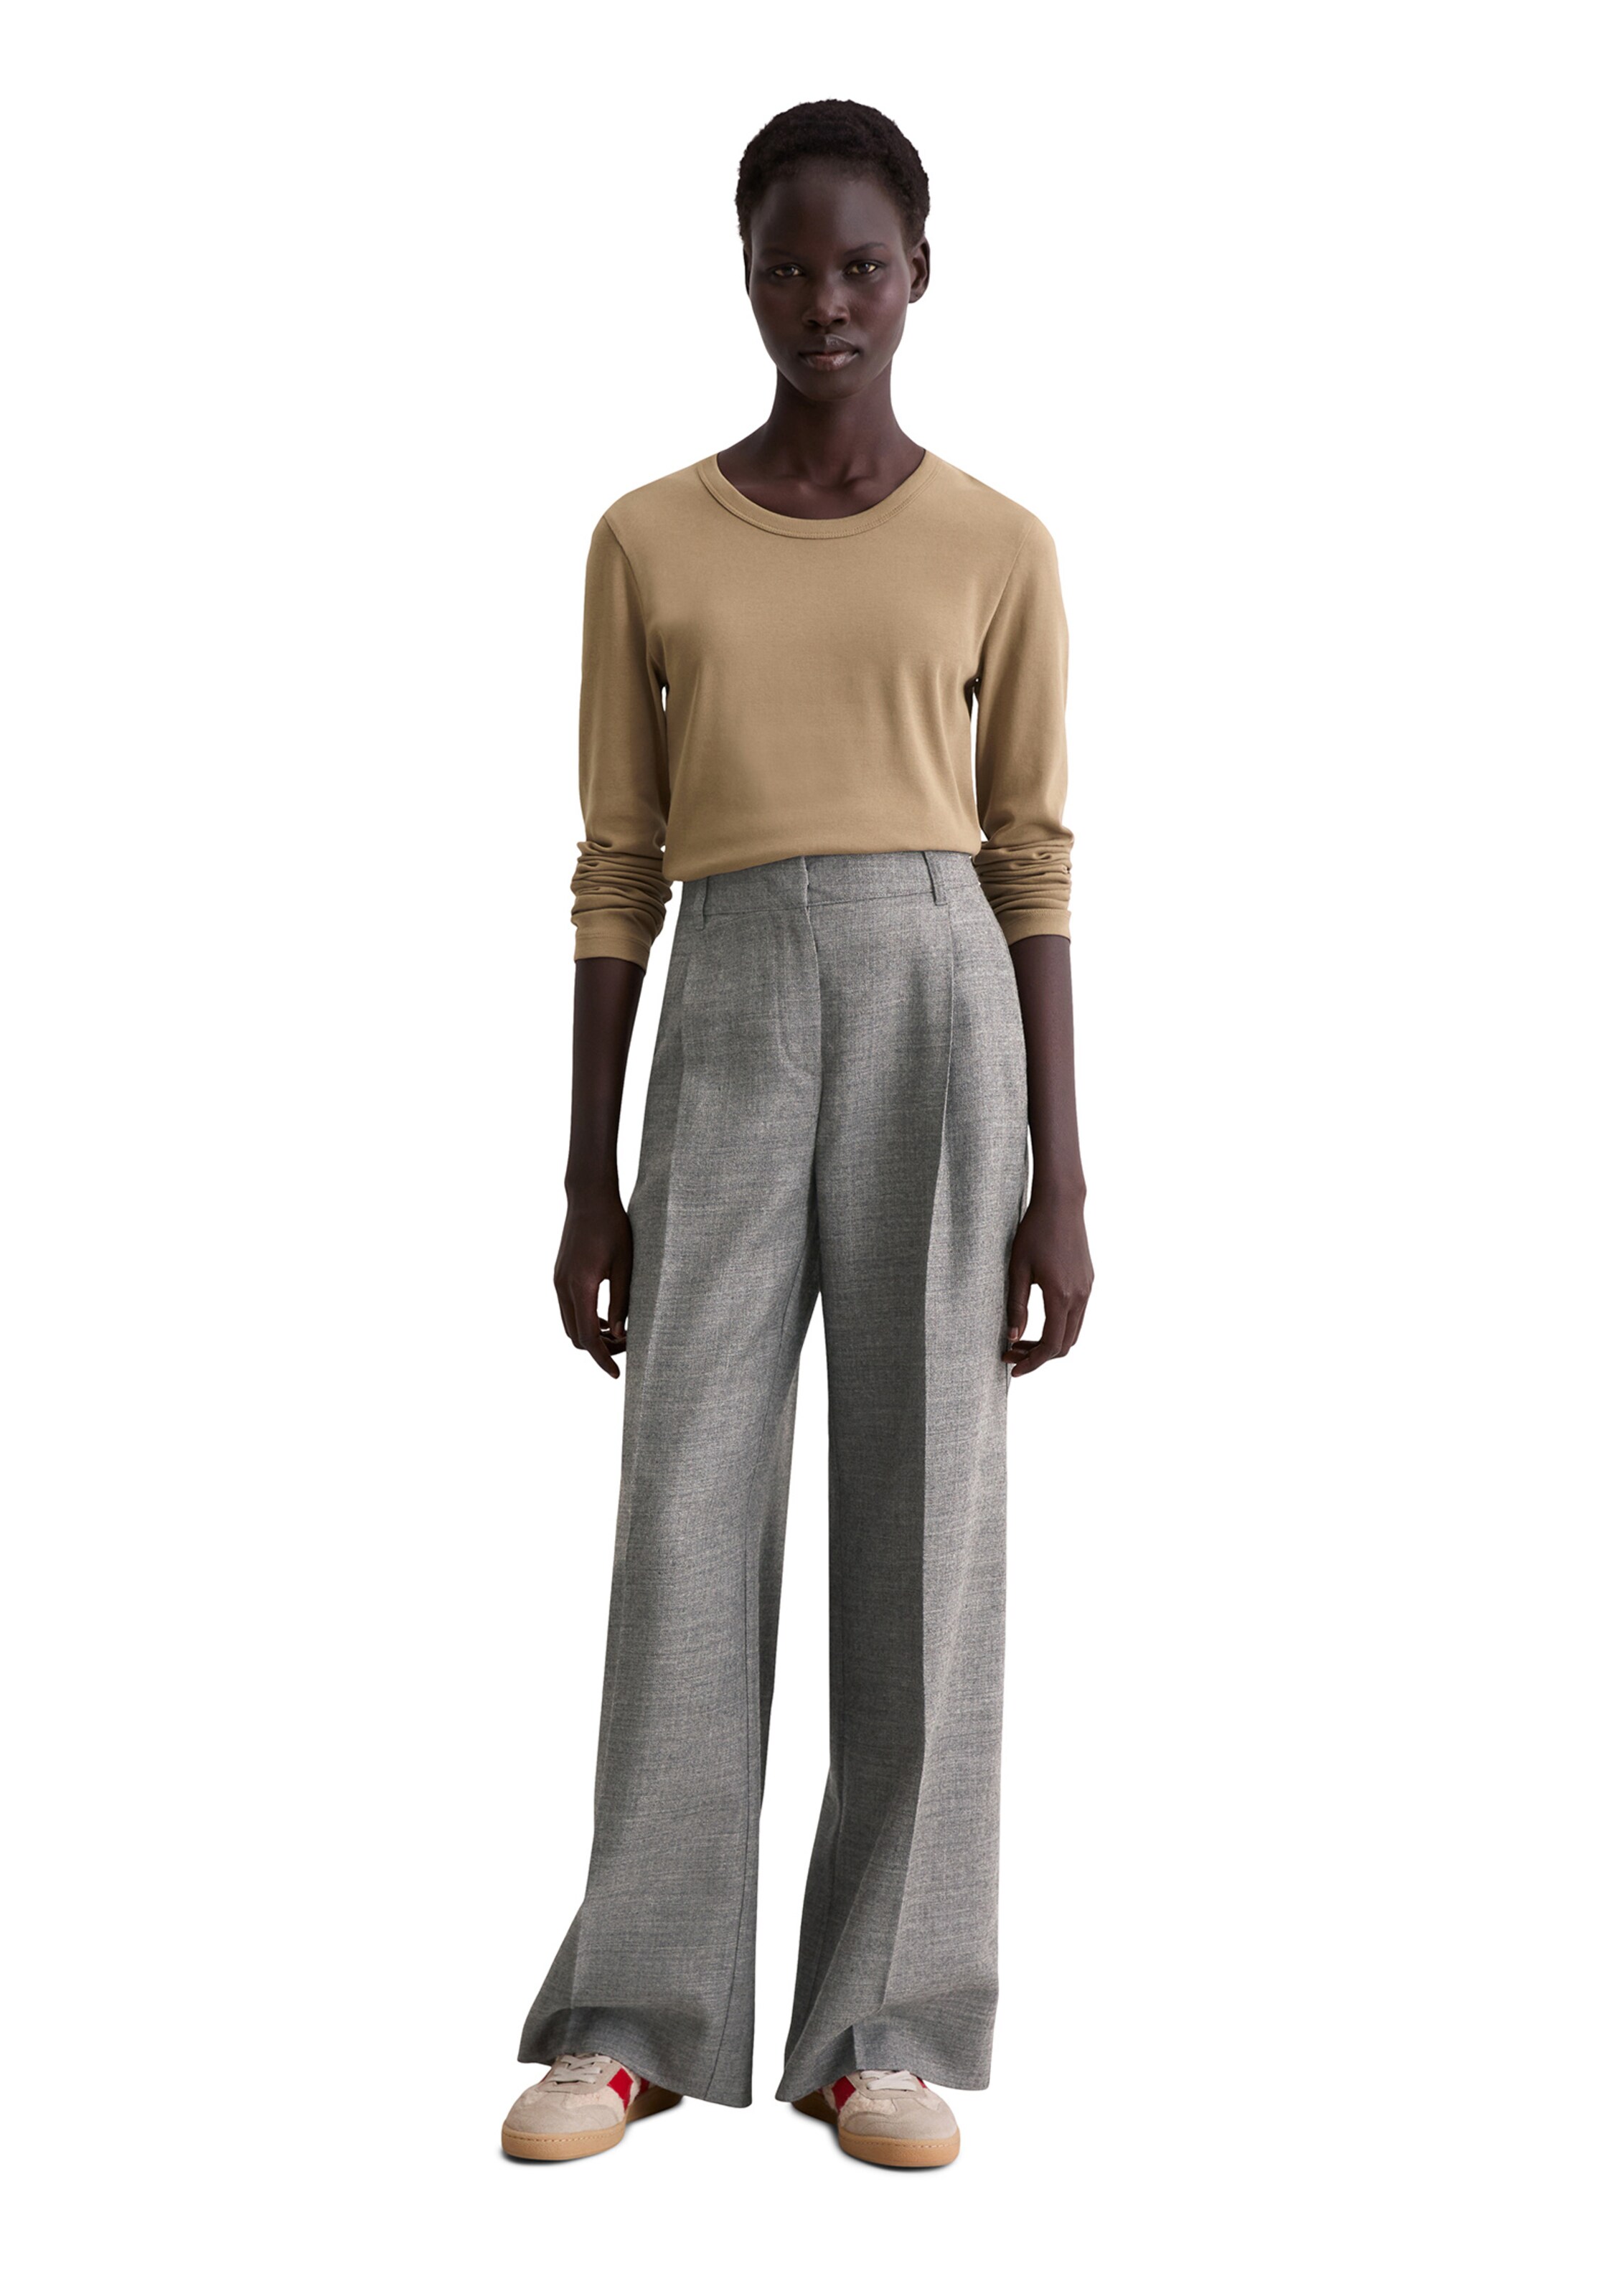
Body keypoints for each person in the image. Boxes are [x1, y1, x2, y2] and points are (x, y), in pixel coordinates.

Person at [502, 98, 1092, 2171]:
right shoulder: (646, 539)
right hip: (730, 997)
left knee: (928, 1512)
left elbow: (1031, 857)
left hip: (941, 996)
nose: (824, 300)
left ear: (919, 275)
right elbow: (615, 861)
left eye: (860, 264)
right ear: (743, 274)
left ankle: (882, 2028)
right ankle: (636, 2020)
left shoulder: (999, 545)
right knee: (687, 1502)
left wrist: (1063, 1178)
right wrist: (586, 1175)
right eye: (788, 263)